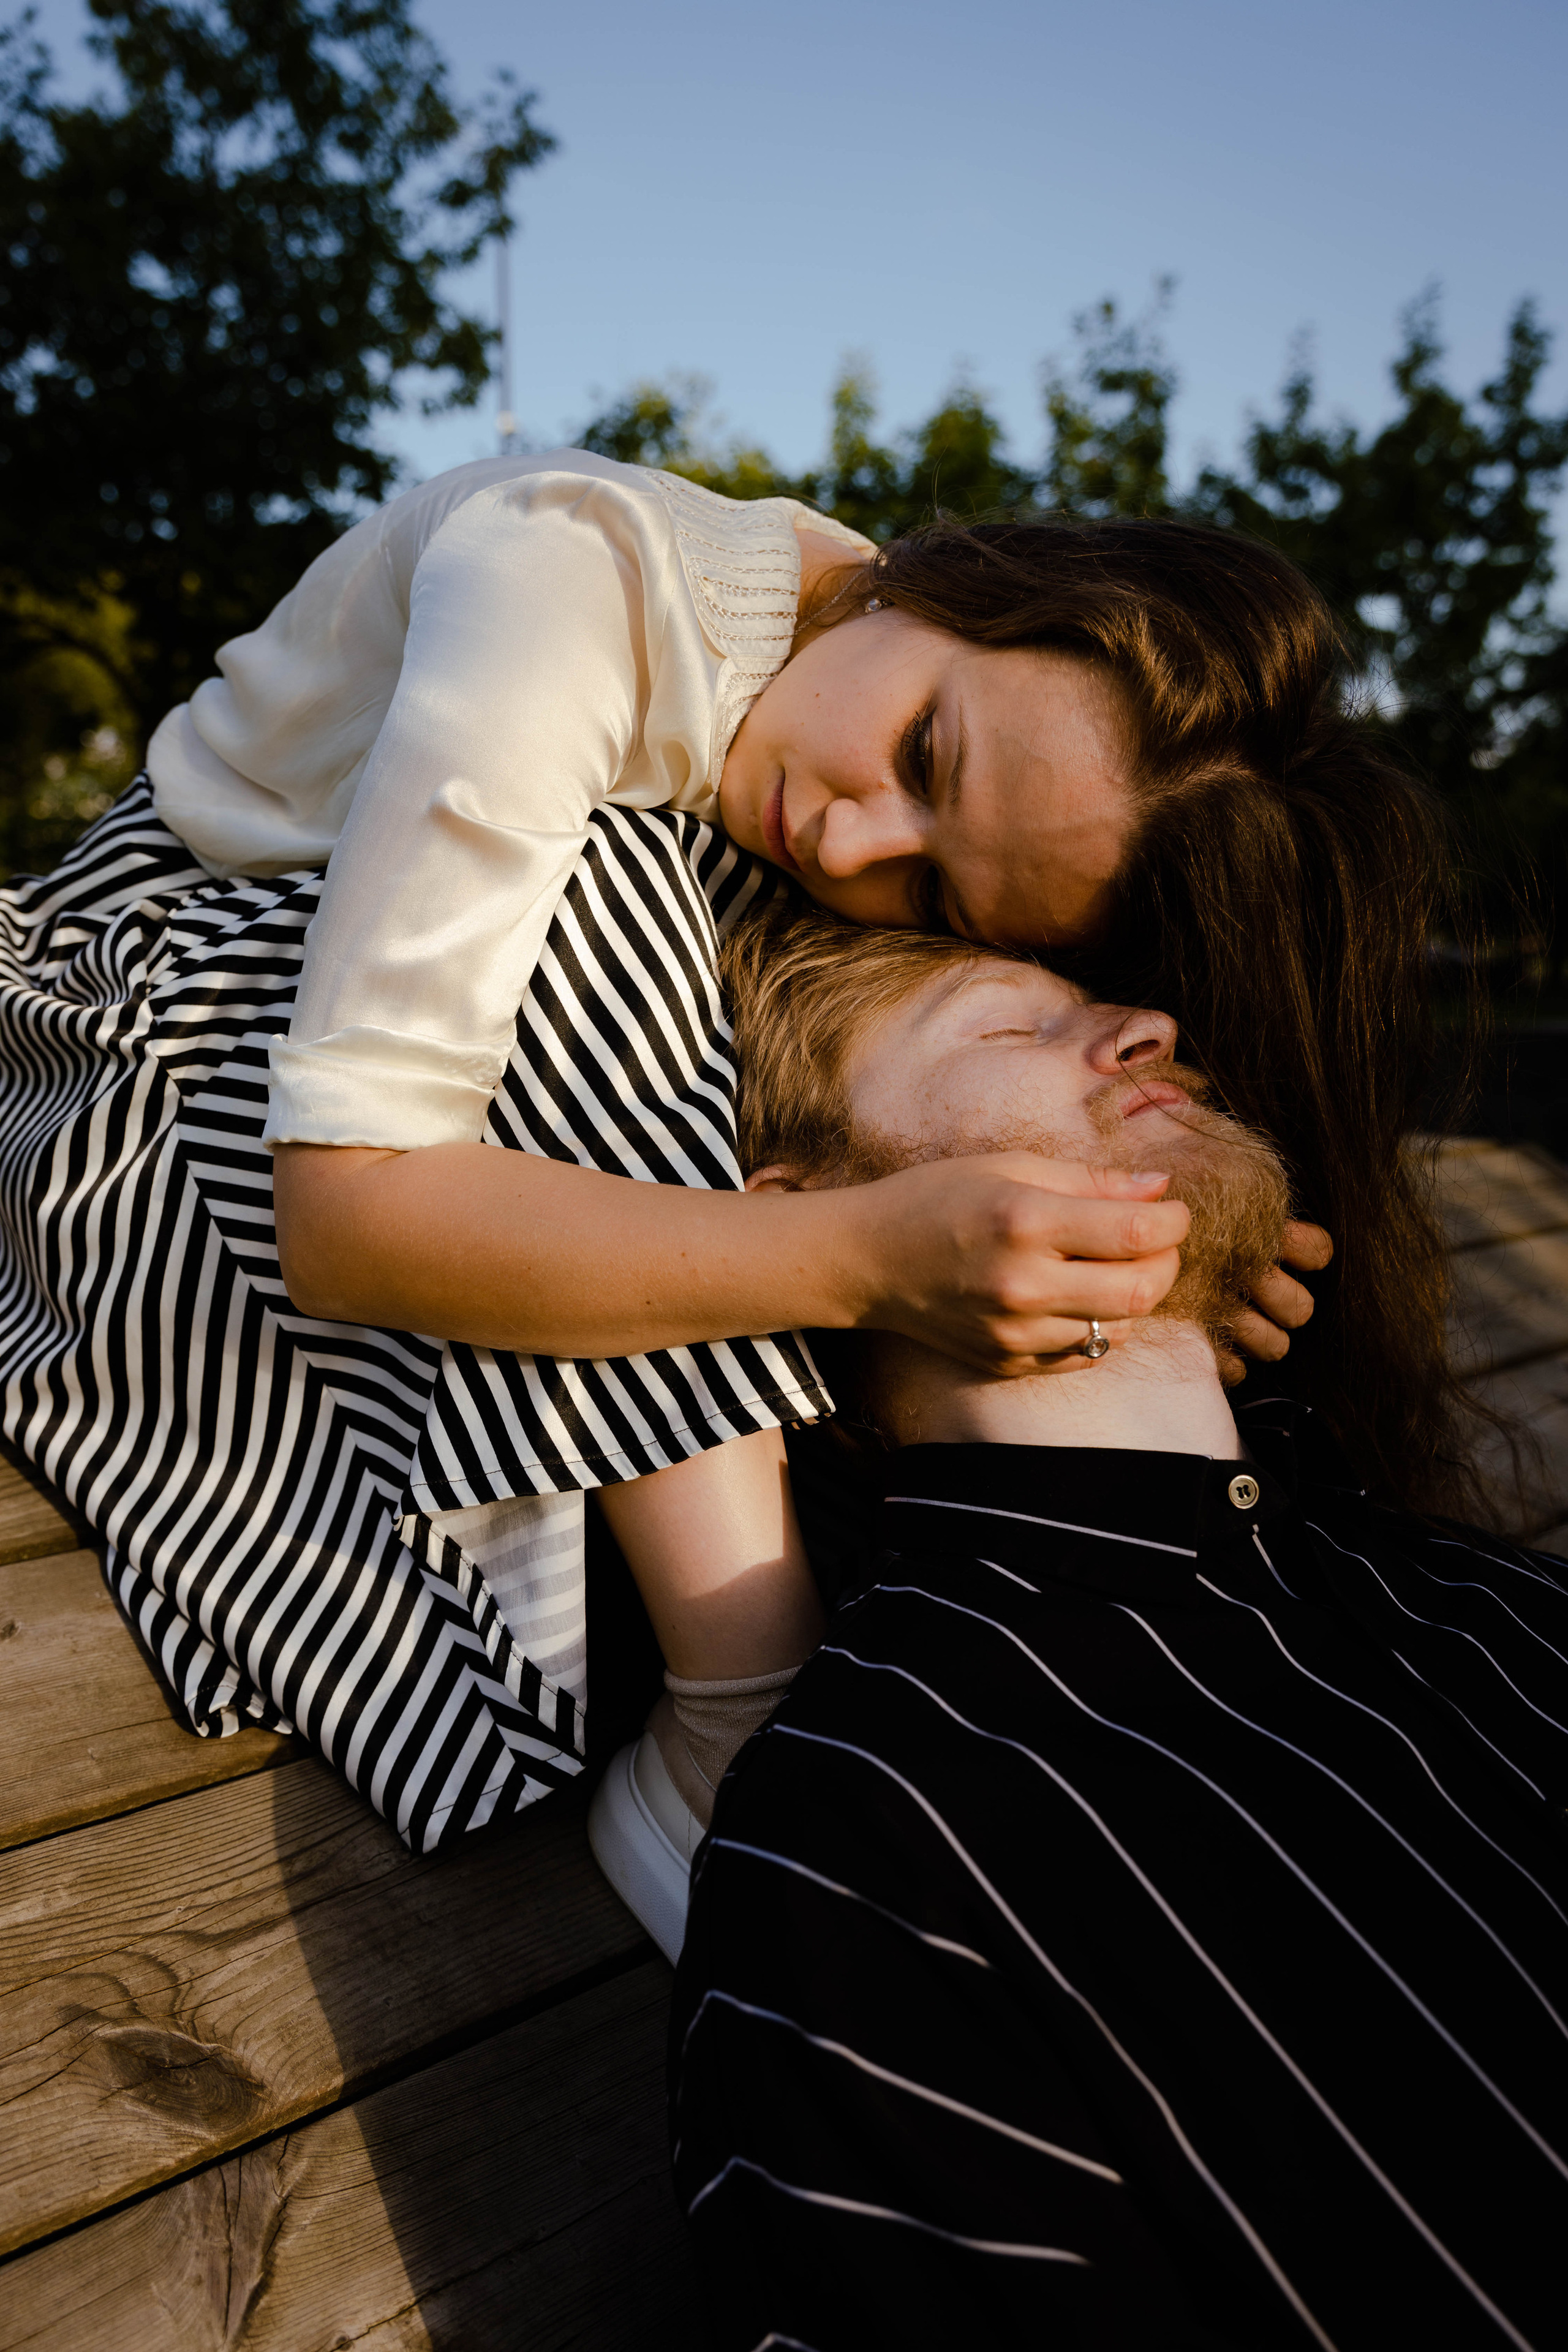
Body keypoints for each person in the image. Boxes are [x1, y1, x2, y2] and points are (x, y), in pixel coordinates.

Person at [0, 454, 1412, 1853]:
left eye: (933, 886)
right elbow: (344, 1216)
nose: (853, 839)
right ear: (950, 580)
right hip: (136, 1025)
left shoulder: (861, 678)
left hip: (380, 1096)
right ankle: (739, 1699)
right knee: (613, 890)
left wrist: (1149, 1238)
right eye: (923, 753)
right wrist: (867, 1257)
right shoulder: (562, 579)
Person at [669, 899, 1567, 2352]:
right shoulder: (877, 1837)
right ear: (803, 1220)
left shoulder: (1476, 1604)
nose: (1147, 1030)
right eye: (1007, 1025)